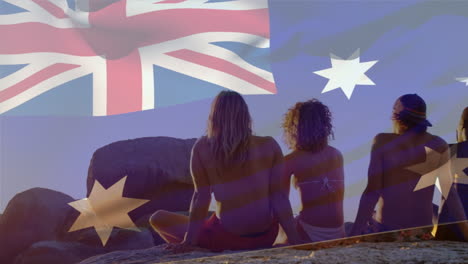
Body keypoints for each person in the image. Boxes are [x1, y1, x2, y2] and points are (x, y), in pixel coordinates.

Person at [149, 91, 301, 252]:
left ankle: (196, 247)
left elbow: (202, 197)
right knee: (213, 218)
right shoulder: (269, 145)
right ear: (246, 116)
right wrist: (295, 239)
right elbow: (279, 197)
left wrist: (189, 241)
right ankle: (198, 243)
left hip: (227, 238)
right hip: (265, 236)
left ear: (214, 116)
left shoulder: (203, 148)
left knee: (158, 218)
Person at [350, 94, 468, 239]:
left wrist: (353, 234)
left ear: (396, 118)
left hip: (387, 231)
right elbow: (449, 194)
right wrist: (466, 233)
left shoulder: (383, 142)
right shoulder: (438, 144)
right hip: (421, 233)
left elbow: (371, 192)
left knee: (371, 218)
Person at [278, 99, 345, 243]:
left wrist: (293, 238)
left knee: (281, 232)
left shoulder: (291, 160)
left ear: (294, 129)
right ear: (325, 126)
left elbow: (282, 203)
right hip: (339, 230)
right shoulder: (336, 154)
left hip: (308, 230)